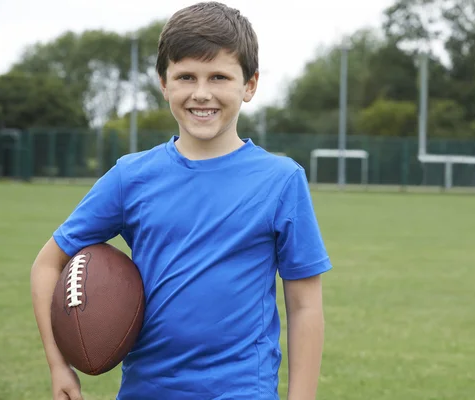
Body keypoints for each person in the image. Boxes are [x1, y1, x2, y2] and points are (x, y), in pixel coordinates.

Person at [30, 2, 332, 399]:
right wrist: (59, 365)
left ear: (250, 85)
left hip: (242, 390)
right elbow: (47, 264)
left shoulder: (281, 181)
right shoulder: (130, 176)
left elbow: (305, 304)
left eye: (219, 77)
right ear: (164, 84)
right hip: (146, 390)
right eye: (186, 76)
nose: (201, 93)